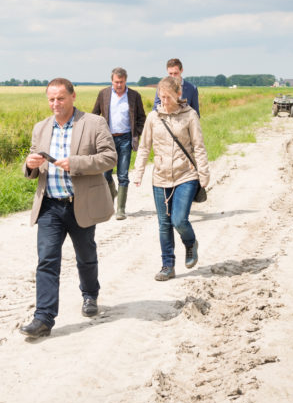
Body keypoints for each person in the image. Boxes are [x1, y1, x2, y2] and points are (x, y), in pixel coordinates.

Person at [20, 78, 117, 338]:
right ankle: (43, 318)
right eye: (51, 99)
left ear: (73, 97)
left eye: (60, 98)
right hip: (50, 205)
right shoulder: (41, 128)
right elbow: (33, 164)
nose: (55, 104)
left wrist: (75, 163)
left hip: (81, 203)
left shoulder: (94, 123)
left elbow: (109, 157)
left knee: (85, 255)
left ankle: (90, 295)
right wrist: (29, 164)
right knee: (47, 261)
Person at [132, 76, 210, 281]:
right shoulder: (153, 118)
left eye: (167, 97)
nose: (163, 101)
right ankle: (168, 265)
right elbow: (144, 147)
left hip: (186, 174)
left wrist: (204, 174)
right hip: (160, 177)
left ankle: (190, 242)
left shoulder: (190, 115)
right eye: (160, 97)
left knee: (179, 220)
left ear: (178, 95)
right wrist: (138, 172)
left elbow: (199, 147)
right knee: (164, 224)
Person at [91, 67, 147, 220]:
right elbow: (94, 115)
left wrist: (137, 132)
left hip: (126, 139)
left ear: (125, 81)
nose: (119, 85)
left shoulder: (134, 96)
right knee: (105, 174)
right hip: (107, 140)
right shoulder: (104, 94)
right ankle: (112, 195)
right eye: (116, 82)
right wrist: (95, 134)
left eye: (121, 82)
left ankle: (120, 209)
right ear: (112, 81)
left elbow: (142, 117)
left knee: (123, 174)